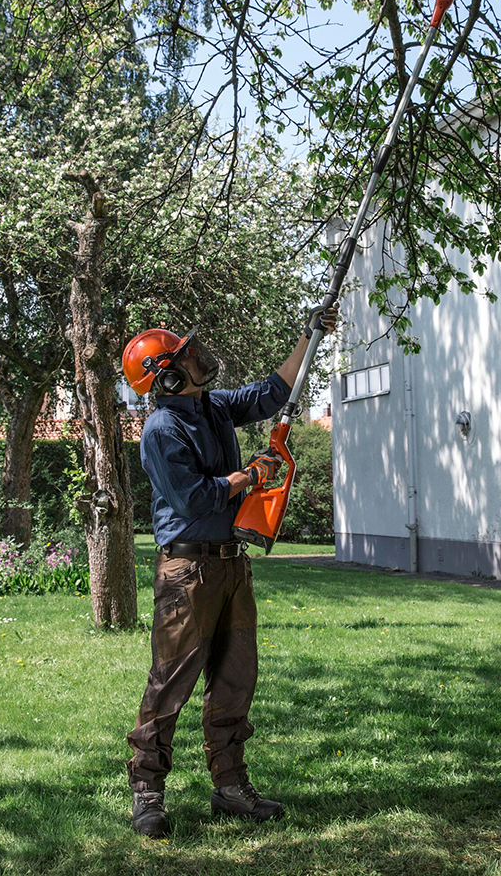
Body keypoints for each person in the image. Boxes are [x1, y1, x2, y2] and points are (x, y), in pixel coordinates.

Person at [120, 314, 336, 837]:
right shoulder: (161, 430)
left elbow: (272, 392)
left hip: (232, 564)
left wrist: (310, 334)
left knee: (236, 680)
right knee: (170, 683)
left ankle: (230, 787)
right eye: (185, 357)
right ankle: (147, 791)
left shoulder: (213, 406)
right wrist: (251, 474)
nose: (198, 358)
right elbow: (195, 499)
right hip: (187, 571)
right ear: (168, 377)